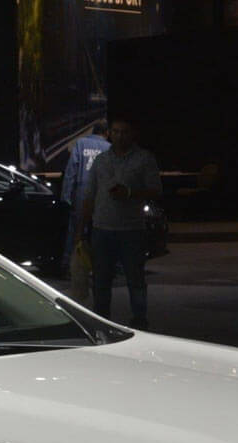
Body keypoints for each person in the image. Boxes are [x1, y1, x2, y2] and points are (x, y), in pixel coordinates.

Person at [74, 117, 162, 329]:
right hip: (102, 229)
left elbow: (156, 190)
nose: (119, 136)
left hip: (131, 229)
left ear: (133, 134)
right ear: (109, 133)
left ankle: (139, 322)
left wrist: (130, 193)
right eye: (115, 131)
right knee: (101, 281)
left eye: (124, 132)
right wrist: (80, 229)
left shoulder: (144, 158)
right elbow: (90, 195)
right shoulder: (101, 160)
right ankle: (102, 323)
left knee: (135, 279)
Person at [60, 120, 109, 300]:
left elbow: (71, 172)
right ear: (106, 133)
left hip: (81, 195)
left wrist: (66, 196)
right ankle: (100, 269)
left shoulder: (80, 144)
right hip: (101, 197)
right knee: (99, 233)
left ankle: (70, 267)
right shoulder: (108, 148)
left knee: (76, 233)